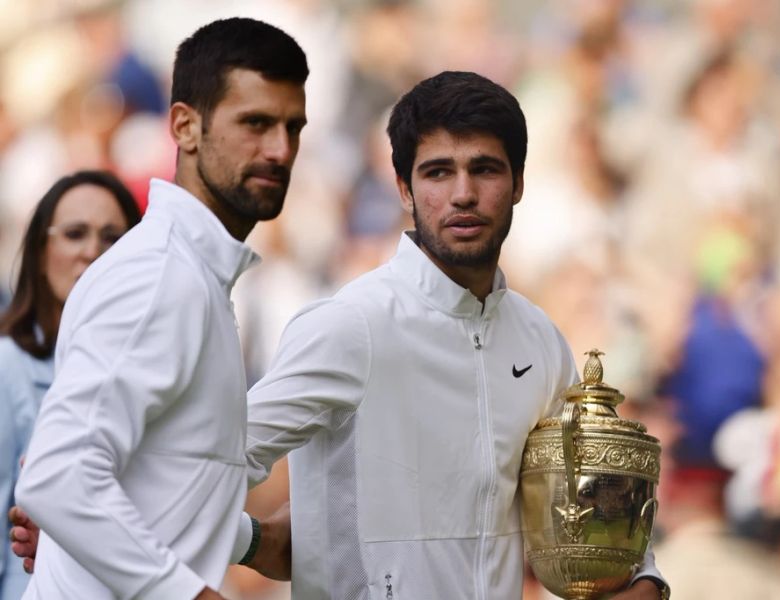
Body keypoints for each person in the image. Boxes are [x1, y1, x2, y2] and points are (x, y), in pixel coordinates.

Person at [234, 71, 668, 599]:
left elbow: (595, 496)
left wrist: (646, 578)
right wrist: (250, 541)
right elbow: (208, 460)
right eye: (438, 172)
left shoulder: (539, 341)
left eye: (484, 169)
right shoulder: (349, 325)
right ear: (403, 189)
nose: (463, 194)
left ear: (519, 183)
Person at [12, 17, 308, 600]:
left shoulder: (195, 276)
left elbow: (161, 481)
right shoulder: (160, 278)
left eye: (292, 127)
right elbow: (58, 476)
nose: (280, 149)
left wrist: (250, 540)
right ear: (185, 126)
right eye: (255, 124)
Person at [0, 170, 140, 599]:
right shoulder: (9, 367)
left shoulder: (147, 372)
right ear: (41, 252)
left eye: (113, 238)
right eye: (75, 234)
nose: (92, 253)